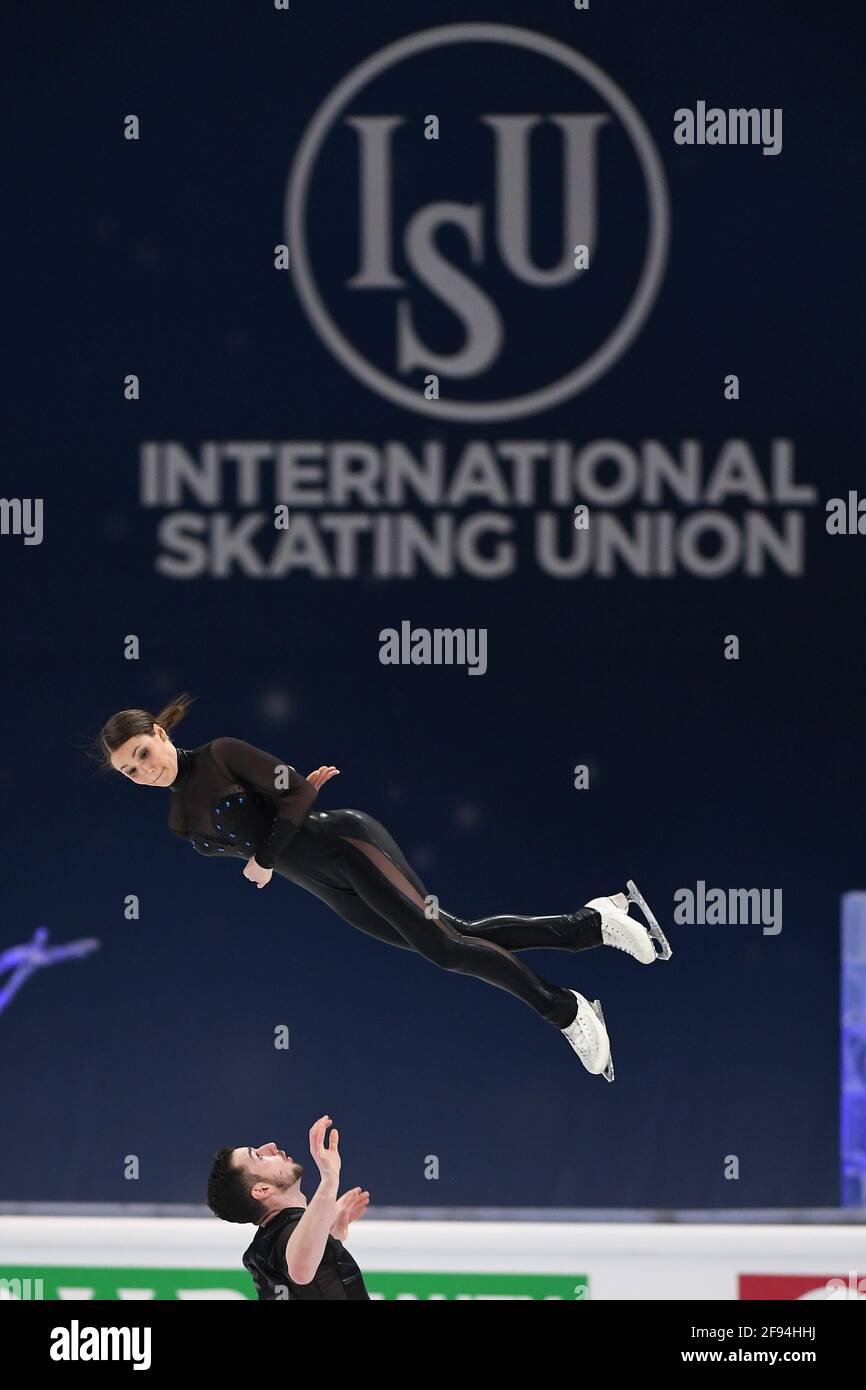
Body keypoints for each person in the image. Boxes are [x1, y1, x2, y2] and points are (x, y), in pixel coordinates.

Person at [96, 693, 671, 1080]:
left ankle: (565, 1011)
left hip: (349, 846)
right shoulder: (177, 821)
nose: (143, 769)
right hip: (322, 884)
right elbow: (271, 816)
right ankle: (593, 924)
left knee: (445, 950)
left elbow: (295, 796)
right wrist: (275, 840)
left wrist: (269, 853)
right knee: (459, 936)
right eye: (129, 770)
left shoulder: (221, 753)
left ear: (158, 733)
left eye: (142, 753)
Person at [206, 1116, 370, 1301]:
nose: (271, 1146)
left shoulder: (268, 1245)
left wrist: (331, 1231)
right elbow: (301, 1271)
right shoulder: (284, 1235)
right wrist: (329, 1178)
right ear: (262, 1189)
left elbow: (306, 1279)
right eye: (259, 1156)